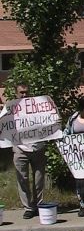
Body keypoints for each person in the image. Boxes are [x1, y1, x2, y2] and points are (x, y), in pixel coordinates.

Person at [12, 83, 46, 219]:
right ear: (16, 93)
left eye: (26, 92)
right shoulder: (11, 109)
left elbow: (49, 120)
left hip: (38, 148)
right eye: (21, 92)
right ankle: (28, 208)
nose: (24, 95)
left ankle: (38, 205)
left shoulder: (39, 107)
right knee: (22, 179)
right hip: (20, 149)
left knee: (39, 179)